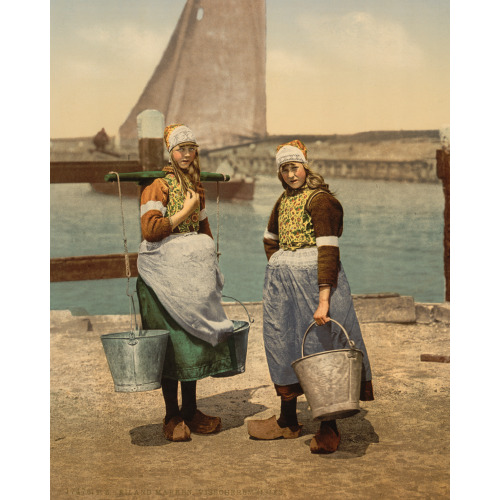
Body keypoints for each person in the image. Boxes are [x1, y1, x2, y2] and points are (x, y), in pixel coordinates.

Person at [247, 139, 374, 454]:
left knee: (323, 348)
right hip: (284, 288)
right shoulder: (282, 201)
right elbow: (270, 239)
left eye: (295, 167)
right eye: (285, 169)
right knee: (282, 344)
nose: (291, 175)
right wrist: (280, 267)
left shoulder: (320, 201)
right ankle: (288, 421)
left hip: (318, 284)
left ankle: (329, 426)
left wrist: (324, 299)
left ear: (306, 166)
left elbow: (328, 251)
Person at [136, 124, 236, 442]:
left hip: (189, 276)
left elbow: (203, 229)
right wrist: (185, 211)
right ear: (171, 152)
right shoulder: (157, 187)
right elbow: (150, 230)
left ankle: (191, 410)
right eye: (181, 149)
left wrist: (211, 269)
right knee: (169, 345)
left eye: (191, 149)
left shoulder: (197, 187)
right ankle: (171, 415)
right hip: (160, 277)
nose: (186, 154)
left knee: (192, 341)